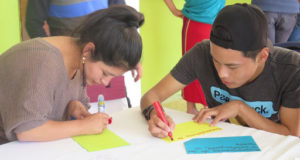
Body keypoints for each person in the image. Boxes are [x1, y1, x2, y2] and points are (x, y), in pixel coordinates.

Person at [141, 3, 300, 138]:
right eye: (215, 61)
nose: (221, 73)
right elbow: (151, 97)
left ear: (262, 56)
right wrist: (154, 114)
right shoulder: (201, 53)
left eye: (232, 66)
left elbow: (292, 136)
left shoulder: (291, 69)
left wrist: (240, 108)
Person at [0, 5, 144, 144]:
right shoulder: (44, 61)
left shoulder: (79, 60)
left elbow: (46, 101)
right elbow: (27, 130)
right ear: (88, 51)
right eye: (105, 73)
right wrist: (83, 127)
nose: (106, 82)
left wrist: (71, 105)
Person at [163, 0, 225, 115]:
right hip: (196, 22)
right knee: (192, 65)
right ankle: (192, 107)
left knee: (212, 66)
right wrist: (174, 10)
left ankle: (208, 106)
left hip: (217, 22)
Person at [25, 0, 125, 38]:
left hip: (103, 56)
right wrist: (50, 53)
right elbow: (33, 23)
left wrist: (133, 57)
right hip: (67, 60)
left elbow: (123, 18)